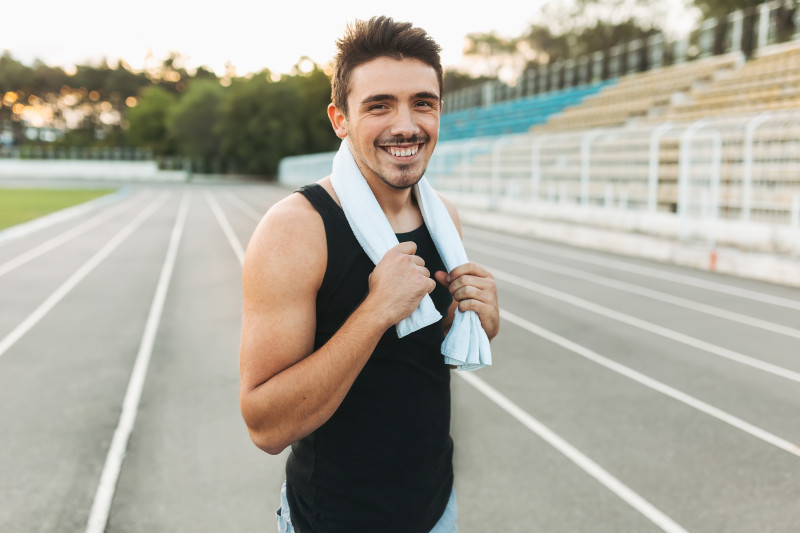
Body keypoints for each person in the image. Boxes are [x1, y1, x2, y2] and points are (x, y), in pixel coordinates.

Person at [239, 16, 499, 532]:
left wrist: (470, 321)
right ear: (340, 118)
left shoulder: (443, 216)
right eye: (379, 105)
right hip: (333, 520)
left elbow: (410, 366)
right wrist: (377, 310)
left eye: (422, 102)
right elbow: (265, 425)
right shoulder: (297, 229)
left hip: (434, 509)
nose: (406, 125)